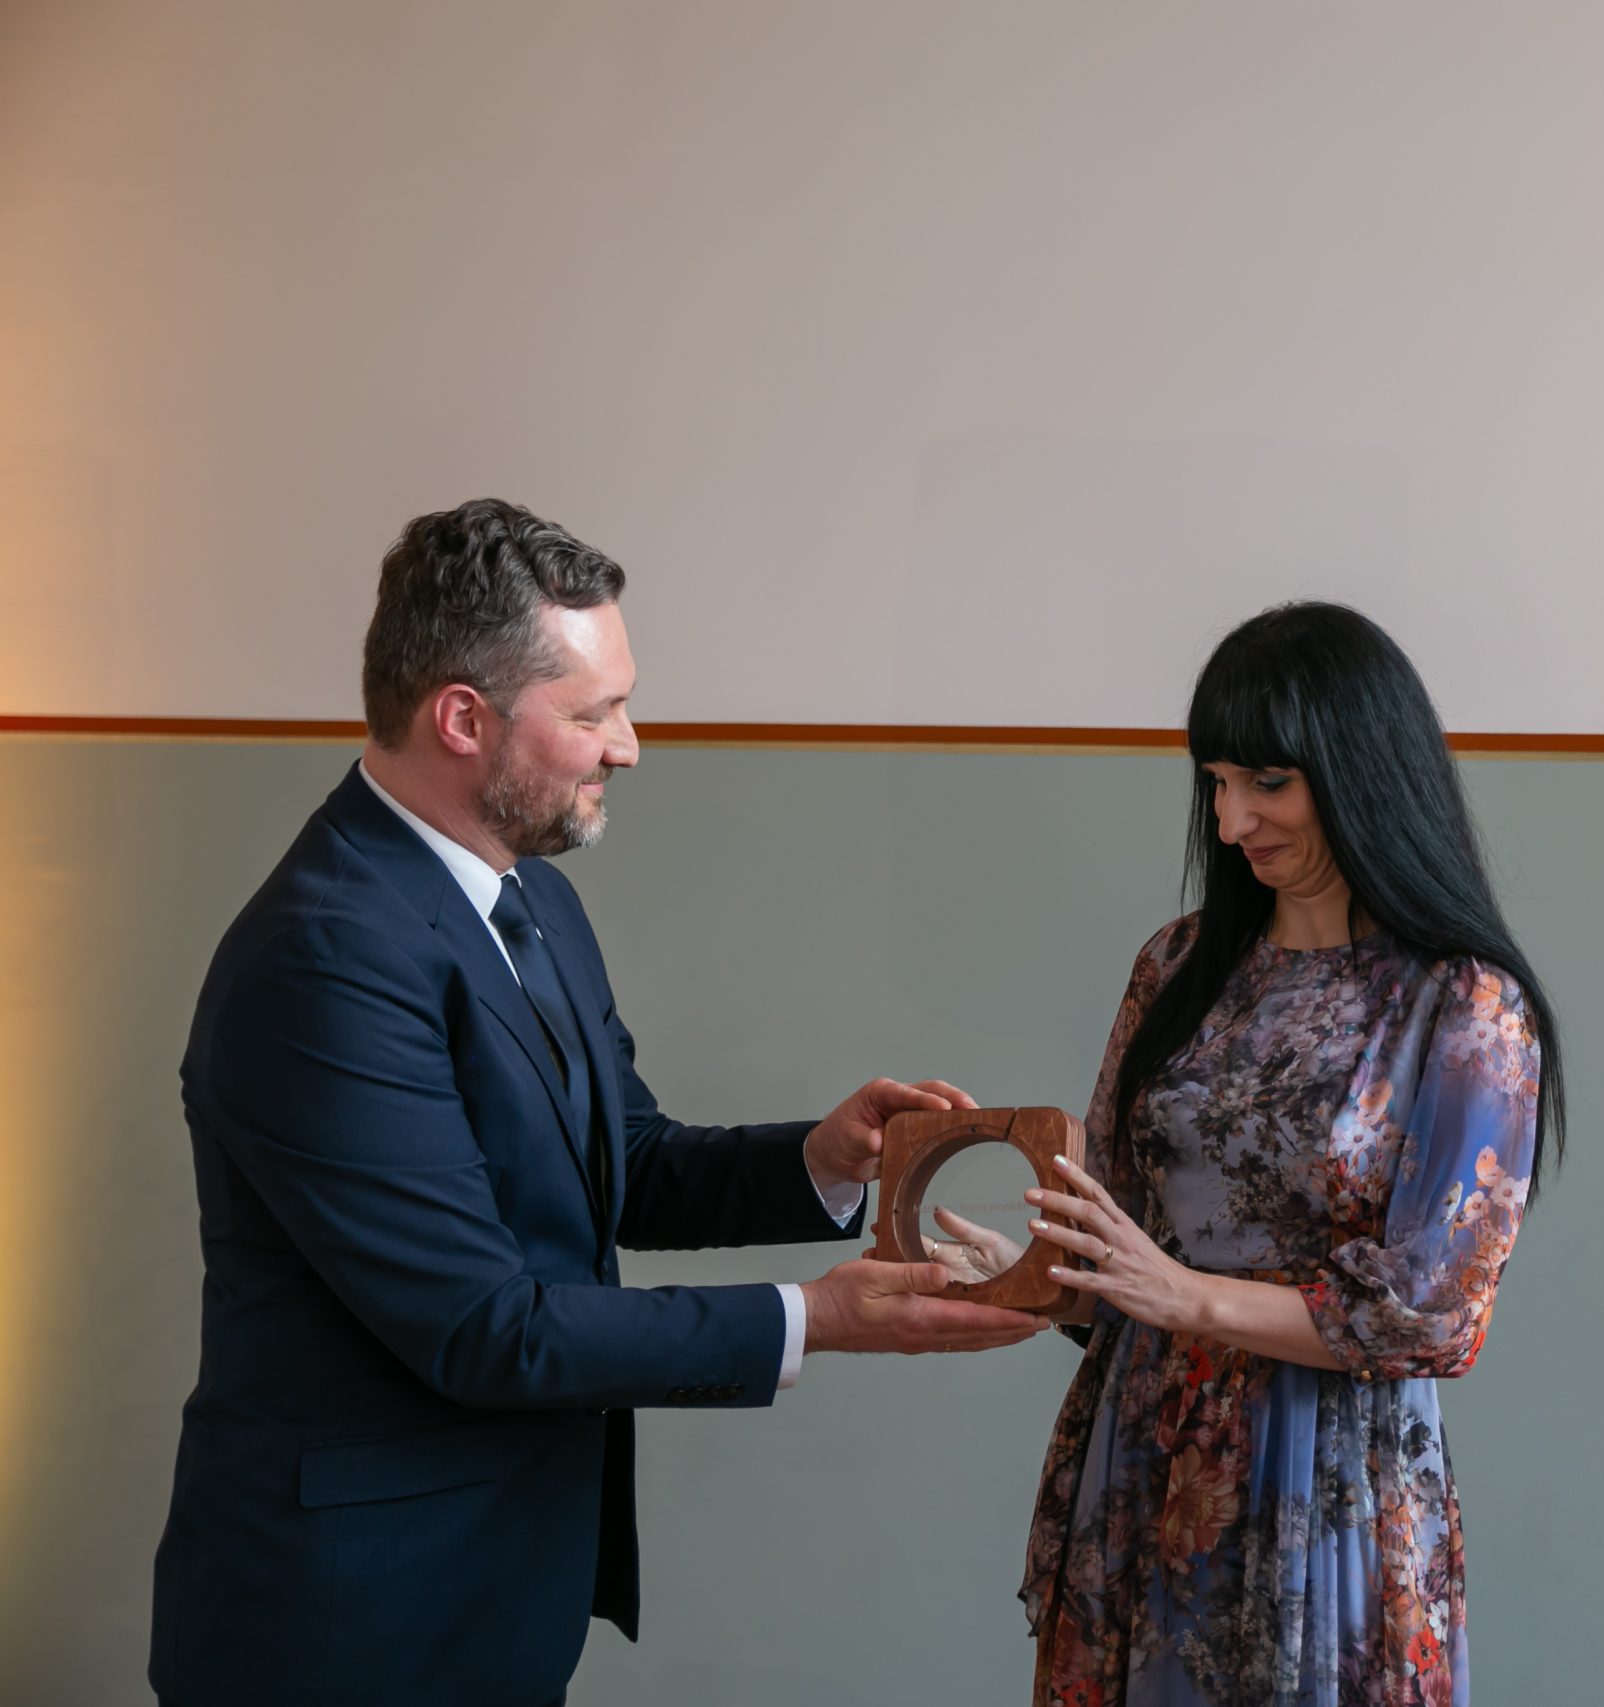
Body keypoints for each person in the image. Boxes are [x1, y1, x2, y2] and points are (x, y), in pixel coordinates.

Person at [150, 499, 1042, 1707]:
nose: (627, 747)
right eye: (592, 713)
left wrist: (826, 1162)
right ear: (462, 719)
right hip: (347, 1620)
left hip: (503, 1583)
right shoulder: (324, 955)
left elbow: (620, 1160)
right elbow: (482, 1327)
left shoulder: (531, 899)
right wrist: (814, 1317)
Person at [937, 601, 1563, 1706]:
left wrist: (1183, 1296)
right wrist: (1036, 1276)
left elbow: (1431, 1315)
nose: (1231, 822)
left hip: (1328, 1475)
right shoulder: (1175, 965)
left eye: (1267, 783)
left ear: (1361, 769)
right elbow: (1125, 1235)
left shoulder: (1462, 1004)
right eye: (1216, 783)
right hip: (1144, 1449)